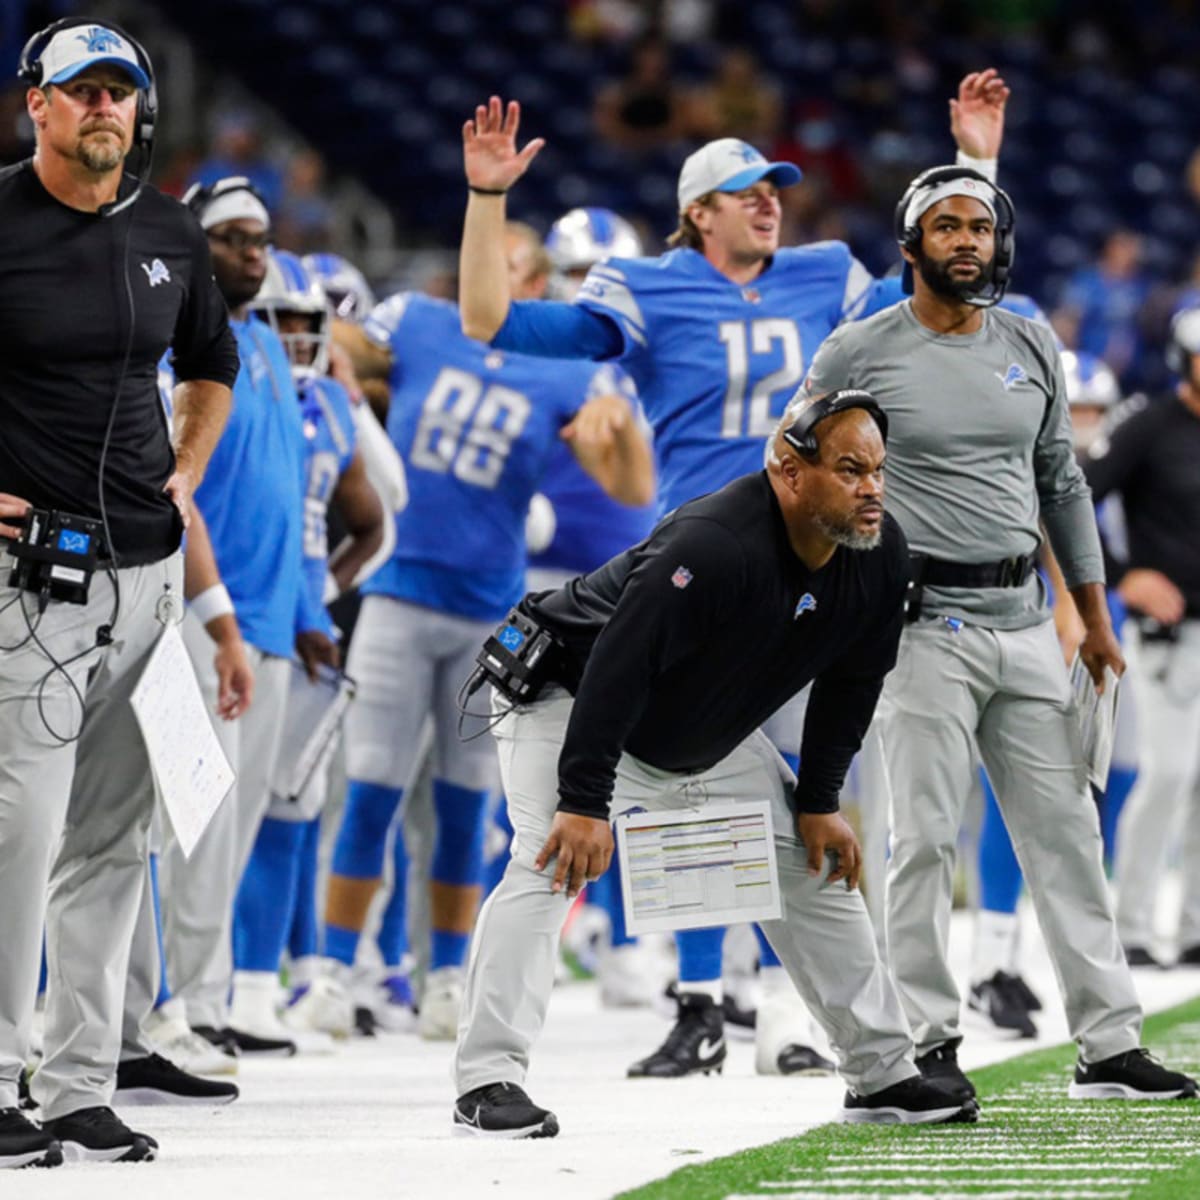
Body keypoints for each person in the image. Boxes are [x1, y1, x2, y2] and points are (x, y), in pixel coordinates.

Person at [456, 73, 1007, 1077]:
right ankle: (707, 999)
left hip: (816, 566)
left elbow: (939, 294)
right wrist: (487, 201)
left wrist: (976, 167)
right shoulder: (648, 286)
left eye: (775, 186)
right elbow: (494, 324)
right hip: (703, 567)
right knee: (699, 798)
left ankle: (800, 1021)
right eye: (745, 187)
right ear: (696, 214)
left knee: (816, 802)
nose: (769, 198)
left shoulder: (826, 273)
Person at [453, 391, 983, 1137]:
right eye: (849, 469)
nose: (871, 489)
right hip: (573, 698)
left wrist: (821, 800)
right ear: (789, 471)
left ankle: (881, 1075)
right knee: (551, 864)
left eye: (878, 471)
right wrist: (583, 802)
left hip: (690, 723)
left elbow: (852, 684)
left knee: (815, 865)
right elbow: (617, 668)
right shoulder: (711, 545)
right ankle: (486, 1081)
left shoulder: (879, 553)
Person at [802, 163, 1198, 1104]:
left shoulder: (1029, 342)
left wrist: (1091, 618)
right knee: (923, 842)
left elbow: (1062, 483)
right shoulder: (859, 350)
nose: (967, 241)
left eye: (979, 226)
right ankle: (922, 1048)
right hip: (916, 624)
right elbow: (796, 467)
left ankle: (1108, 1046)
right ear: (911, 247)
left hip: (1024, 620)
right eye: (946, 227)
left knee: (1066, 837)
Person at [321, 220, 656, 1040]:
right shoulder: (421, 321)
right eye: (483, 265)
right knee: (371, 787)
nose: (494, 281)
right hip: (399, 588)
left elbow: (630, 485)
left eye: (512, 271)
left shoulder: (565, 368)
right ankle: (330, 969)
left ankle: (444, 975)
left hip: (488, 607)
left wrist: (620, 432)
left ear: (536, 288)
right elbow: (330, 345)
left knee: (467, 804)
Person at [0, 18, 238, 1167]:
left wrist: (185, 474)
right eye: (80, 91)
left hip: (145, 580)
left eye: (120, 92)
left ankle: (76, 1080)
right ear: (32, 105)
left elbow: (213, 366)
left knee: (112, 842)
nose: (104, 108)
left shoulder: (170, 232)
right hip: (26, 582)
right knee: (18, 833)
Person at [157, 175, 338, 1060]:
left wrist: (307, 608)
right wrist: (220, 613)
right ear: (194, 243)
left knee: (231, 826)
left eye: (259, 236)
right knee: (187, 823)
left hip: (266, 623)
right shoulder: (174, 342)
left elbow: (289, 493)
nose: (252, 250)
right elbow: (178, 492)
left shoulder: (263, 346)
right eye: (230, 236)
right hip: (200, 613)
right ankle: (164, 1010)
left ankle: (199, 998)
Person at [230, 249, 385, 1047]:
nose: (293, 333)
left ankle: (256, 988)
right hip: (226, 613)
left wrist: (319, 598)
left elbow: (375, 517)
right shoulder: (211, 378)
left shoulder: (326, 398)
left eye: (304, 320)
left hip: (303, 630)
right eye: (277, 318)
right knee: (181, 817)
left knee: (290, 806)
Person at [1085, 308, 1200, 968]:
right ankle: (1128, 924)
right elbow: (1076, 498)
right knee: (1168, 775)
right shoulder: (1149, 426)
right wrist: (1125, 577)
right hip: (1168, 635)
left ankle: (1191, 927)